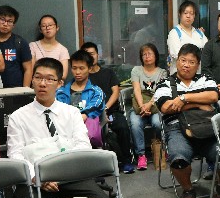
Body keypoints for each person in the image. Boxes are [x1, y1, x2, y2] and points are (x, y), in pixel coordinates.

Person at [7, 58, 113, 198]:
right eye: (38, 77)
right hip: (37, 181)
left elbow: (83, 146)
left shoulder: (72, 113)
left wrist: (64, 172)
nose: (42, 84)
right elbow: (15, 155)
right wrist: (37, 177)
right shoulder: (17, 117)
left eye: (49, 79)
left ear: (59, 83)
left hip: (70, 176)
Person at [154, 44, 220, 198]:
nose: (186, 64)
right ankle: (188, 189)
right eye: (183, 60)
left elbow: (213, 96)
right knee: (178, 158)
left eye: (191, 62)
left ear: (197, 64)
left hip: (206, 127)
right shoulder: (165, 83)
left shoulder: (206, 78)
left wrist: (183, 99)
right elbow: (166, 108)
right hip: (177, 127)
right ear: (177, 62)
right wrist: (200, 103)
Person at [81, 42, 135, 174]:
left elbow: (115, 92)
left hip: (111, 111)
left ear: (97, 55)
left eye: (92, 54)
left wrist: (105, 108)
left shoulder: (108, 73)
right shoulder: (82, 77)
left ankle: (127, 161)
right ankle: (96, 167)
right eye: (86, 54)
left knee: (122, 127)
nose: (89, 57)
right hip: (91, 115)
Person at [130, 43, 169, 170]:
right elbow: (136, 89)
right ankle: (141, 155)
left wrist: (150, 104)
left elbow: (160, 91)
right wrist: (142, 106)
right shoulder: (136, 70)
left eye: (150, 54)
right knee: (135, 124)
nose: (147, 57)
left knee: (158, 123)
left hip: (155, 104)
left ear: (156, 56)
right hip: (140, 105)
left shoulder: (162, 72)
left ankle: (161, 149)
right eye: (144, 54)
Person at [55, 50, 106, 147]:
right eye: (74, 68)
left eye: (81, 68)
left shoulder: (96, 92)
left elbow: (95, 107)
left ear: (90, 69)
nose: (77, 72)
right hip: (65, 135)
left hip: (89, 139)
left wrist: (84, 115)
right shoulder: (61, 92)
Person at [0, 5, 32, 88]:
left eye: (10, 21)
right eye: (2, 19)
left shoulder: (20, 42)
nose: (5, 24)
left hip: (15, 89)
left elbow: (28, 69)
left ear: (13, 25)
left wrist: (25, 90)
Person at [166, 1, 207, 74]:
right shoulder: (174, 33)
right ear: (180, 14)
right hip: (179, 76)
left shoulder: (199, 33)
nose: (188, 16)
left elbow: (207, 52)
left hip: (198, 75)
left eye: (191, 13)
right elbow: (177, 55)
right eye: (185, 13)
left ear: (194, 16)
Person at [30, 14, 70, 78]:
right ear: (40, 30)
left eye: (50, 25)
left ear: (57, 28)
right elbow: (31, 70)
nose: (47, 28)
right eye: (43, 26)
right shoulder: (33, 46)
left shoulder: (63, 50)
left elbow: (63, 75)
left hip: (55, 85)